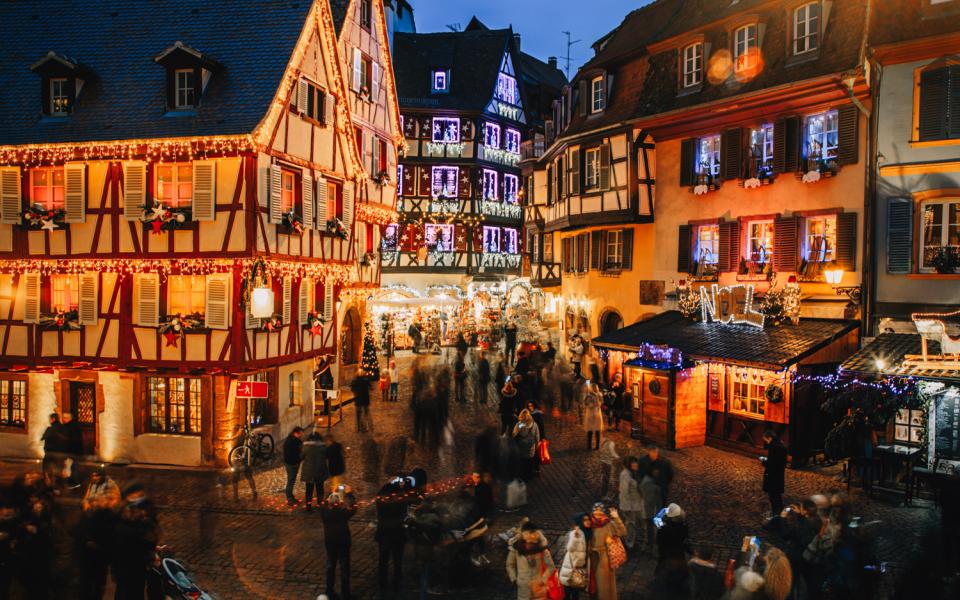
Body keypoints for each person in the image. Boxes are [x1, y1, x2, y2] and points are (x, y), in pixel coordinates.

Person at [376, 477, 412, 598]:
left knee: (383, 560)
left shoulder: (381, 498)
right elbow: (404, 511)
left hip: (384, 533)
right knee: (397, 561)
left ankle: (382, 584)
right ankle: (397, 584)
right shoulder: (400, 499)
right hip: (397, 533)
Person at [320, 488, 358, 600]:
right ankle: (345, 593)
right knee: (344, 568)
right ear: (339, 503)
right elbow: (354, 508)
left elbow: (322, 504)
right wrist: (349, 496)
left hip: (330, 543)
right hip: (343, 543)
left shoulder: (325, 513)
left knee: (330, 567)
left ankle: (329, 591)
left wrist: (328, 496)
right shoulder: (343, 513)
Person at [505, 521, 556, 600]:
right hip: (523, 590)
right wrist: (514, 579)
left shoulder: (541, 548)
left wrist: (542, 580)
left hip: (539, 590)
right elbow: (510, 565)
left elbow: (551, 567)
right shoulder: (516, 548)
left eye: (533, 533)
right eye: (528, 533)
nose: (531, 536)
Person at [587, 503, 627, 600]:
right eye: (596, 510)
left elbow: (622, 532)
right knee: (595, 586)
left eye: (599, 511)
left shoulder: (608, 524)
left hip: (604, 558)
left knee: (603, 587)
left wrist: (616, 518)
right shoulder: (589, 523)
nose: (597, 514)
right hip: (593, 558)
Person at [559, 513, 591, 600]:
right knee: (567, 593)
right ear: (580, 522)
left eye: (589, 519)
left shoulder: (588, 533)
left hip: (579, 568)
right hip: (571, 567)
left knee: (575, 592)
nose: (588, 521)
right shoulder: (575, 533)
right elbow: (569, 548)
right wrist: (575, 538)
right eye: (585, 520)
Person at [618, 457, 643, 550]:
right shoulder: (625, 475)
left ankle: (632, 540)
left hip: (637, 504)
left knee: (637, 523)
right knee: (631, 524)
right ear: (629, 465)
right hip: (630, 506)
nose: (636, 464)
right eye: (633, 463)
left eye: (636, 463)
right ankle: (629, 542)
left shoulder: (633, 473)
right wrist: (627, 508)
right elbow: (624, 492)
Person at [762, 430, 788, 516]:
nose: (766, 442)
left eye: (766, 440)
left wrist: (764, 462)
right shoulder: (780, 444)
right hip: (779, 474)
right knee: (777, 495)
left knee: (773, 496)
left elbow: (772, 463)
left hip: (773, 475)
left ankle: (776, 514)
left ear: (770, 438)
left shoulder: (774, 447)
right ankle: (779, 511)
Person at [300, 432, 329, 510]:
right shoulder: (323, 447)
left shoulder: (306, 447)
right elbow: (327, 456)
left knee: (309, 490)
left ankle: (308, 506)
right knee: (320, 488)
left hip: (309, 472)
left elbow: (301, 457)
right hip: (320, 471)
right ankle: (320, 504)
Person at [512, 409, 541, 481]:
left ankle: (522, 476)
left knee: (522, 461)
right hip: (531, 447)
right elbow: (537, 437)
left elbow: (514, 434)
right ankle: (528, 475)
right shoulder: (534, 425)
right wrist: (536, 446)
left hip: (521, 446)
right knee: (529, 462)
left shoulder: (520, 424)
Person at [640, 468, 663, 554]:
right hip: (651, 509)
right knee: (651, 528)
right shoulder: (648, 482)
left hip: (651, 509)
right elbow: (650, 499)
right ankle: (651, 547)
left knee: (651, 527)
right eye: (655, 470)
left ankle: (650, 546)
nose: (657, 472)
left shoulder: (649, 480)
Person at [40, 412, 64, 483]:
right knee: (58, 471)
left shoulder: (50, 429)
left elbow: (43, 437)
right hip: (60, 453)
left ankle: (48, 482)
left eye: (50, 419)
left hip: (50, 452)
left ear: (53, 419)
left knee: (47, 469)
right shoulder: (63, 428)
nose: (49, 421)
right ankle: (57, 484)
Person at [282, 427, 304, 505]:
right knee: (291, 481)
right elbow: (290, 454)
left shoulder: (293, 440)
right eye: (300, 433)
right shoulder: (292, 442)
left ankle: (291, 496)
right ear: (296, 433)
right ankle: (290, 498)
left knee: (291, 480)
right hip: (292, 464)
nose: (301, 435)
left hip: (292, 463)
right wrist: (296, 462)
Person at [583, 384, 604, 450]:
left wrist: (593, 405)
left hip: (593, 413)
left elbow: (586, 403)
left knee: (593, 430)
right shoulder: (596, 395)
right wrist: (596, 404)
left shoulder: (590, 395)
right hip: (595, 413)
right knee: (594, 429)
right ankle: (593, 446)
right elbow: (586, 403)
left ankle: (592, 446)